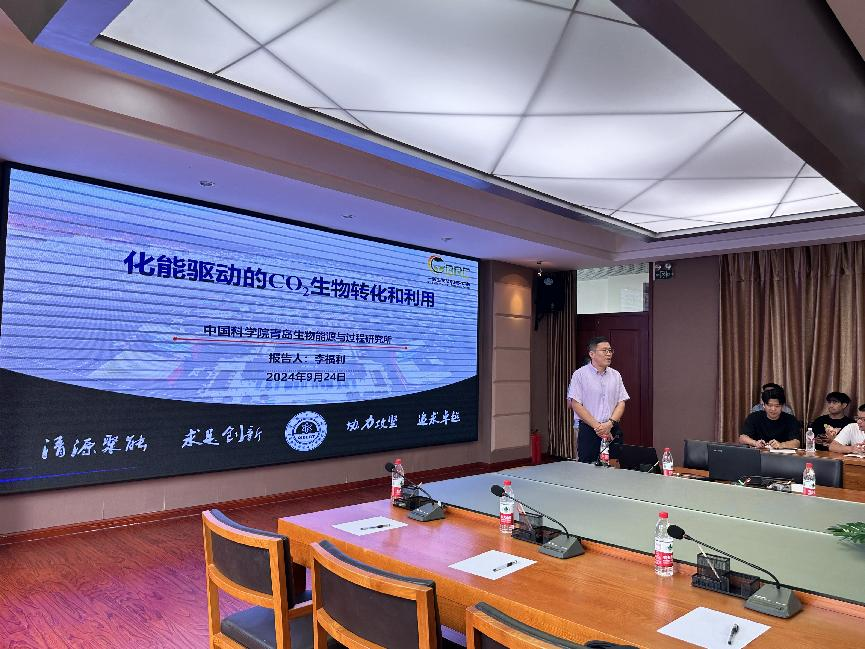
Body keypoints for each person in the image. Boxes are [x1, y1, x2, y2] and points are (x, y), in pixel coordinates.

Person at [567, 336, 629, 463]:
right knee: (588, 468)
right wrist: (599, 428)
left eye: (610, 350)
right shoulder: (580, 375)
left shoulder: (616, 375)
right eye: (604, 350)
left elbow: (621, 402)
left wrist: (609, 424)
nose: (609, 354)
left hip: (612, 428)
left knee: (615, 466)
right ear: (592, 354)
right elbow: (575, 404)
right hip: (589, 429)